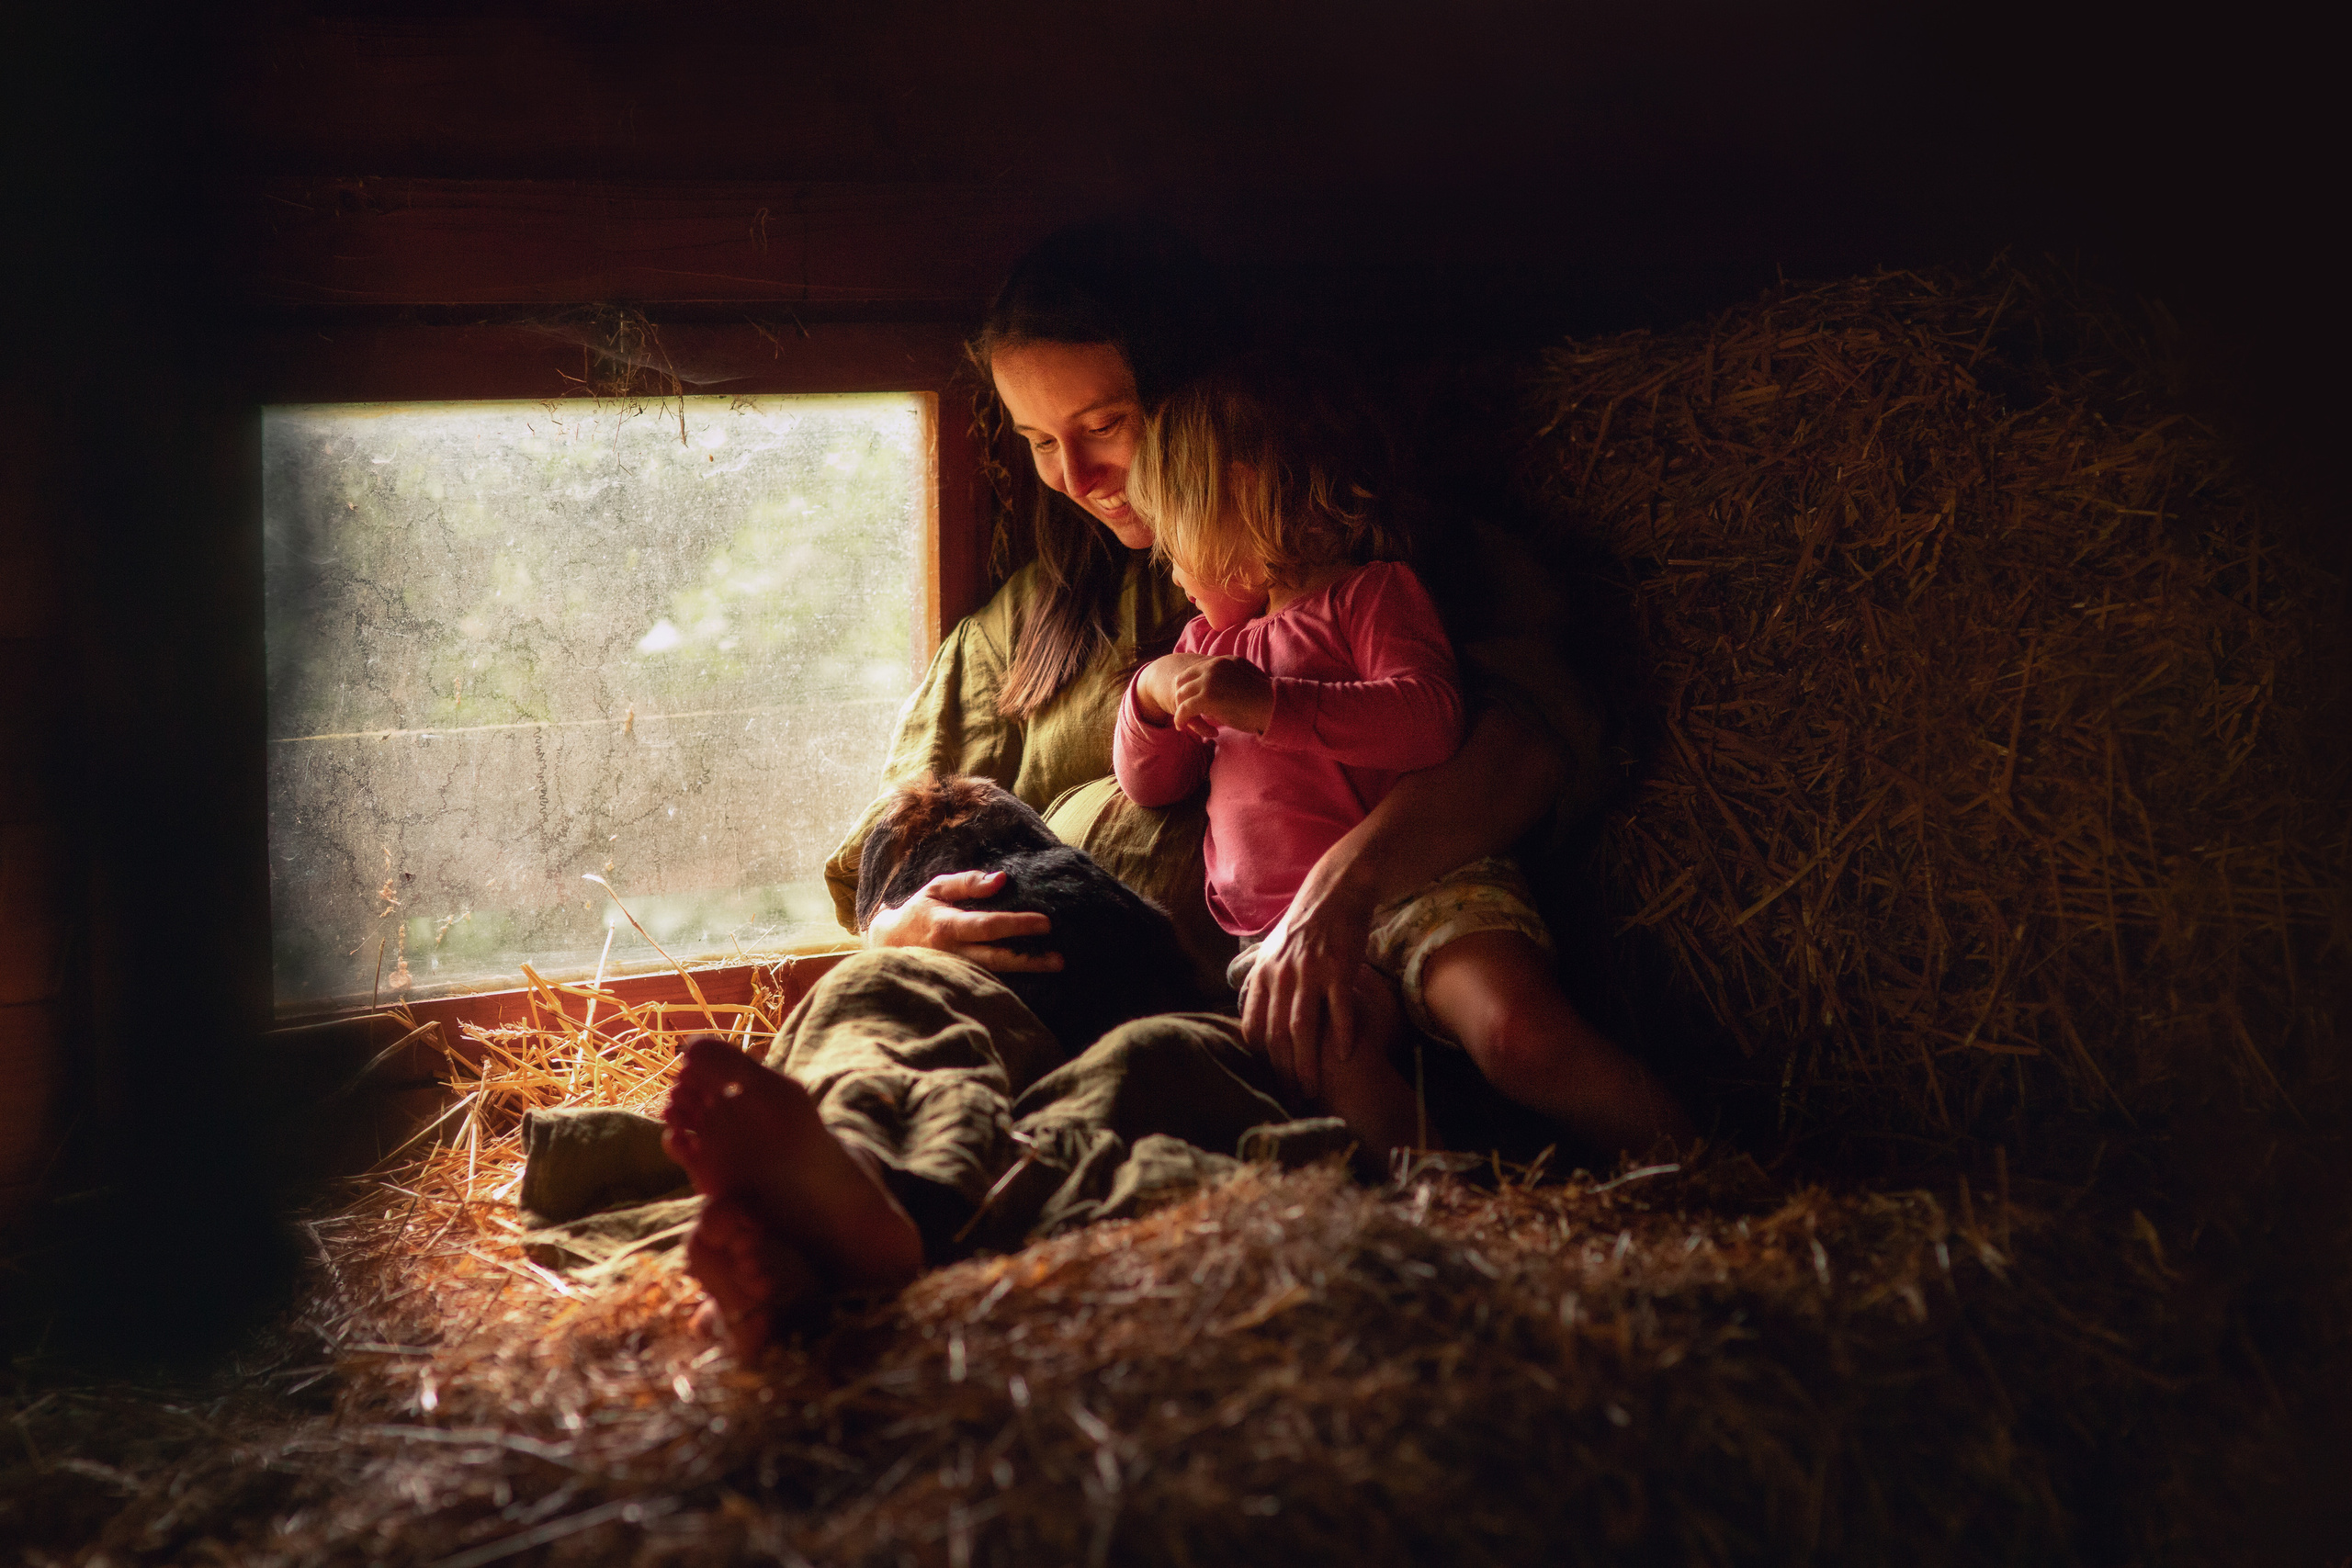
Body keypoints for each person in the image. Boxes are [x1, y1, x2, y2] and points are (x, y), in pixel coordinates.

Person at [525, 220, 1663, 1354]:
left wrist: (1339, 892)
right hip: (1015, 981)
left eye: (1107, 426)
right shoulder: (1023, 626)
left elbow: (1526, 744)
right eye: (1035, 441)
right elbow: (899, 826)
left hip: (1233, 997)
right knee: (896, 995)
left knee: (1136, 1089)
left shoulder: (1368, 558)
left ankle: (885, 1218)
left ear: (1197, 401)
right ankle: (835, 1192)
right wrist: (895, 927)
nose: (1078, 478)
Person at [1114, 366, 1692, 1163]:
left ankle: (1710, 1172)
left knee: (1519, 1034)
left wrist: (1272, 705)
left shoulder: (1370, 596)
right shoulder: (1201, 650)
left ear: (1241, 499)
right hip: (1281, 928)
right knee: (1328, 1062)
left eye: (1173, 541)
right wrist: (1146, 696)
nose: (1171, 570)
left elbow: (1429, 723)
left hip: (1432, 887)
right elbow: (1151, 780)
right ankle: (1445, 1211)